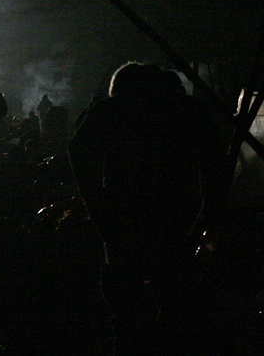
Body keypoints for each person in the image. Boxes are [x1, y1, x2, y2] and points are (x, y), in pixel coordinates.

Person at [68, 63, 222, 354]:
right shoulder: (186, 111)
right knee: (174, 295)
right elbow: (215, 158)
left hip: (122, 214)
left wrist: (96, 201)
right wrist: (209, 206)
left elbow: (78, 151)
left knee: (127, 301)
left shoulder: (113, 111)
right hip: (178, 212)